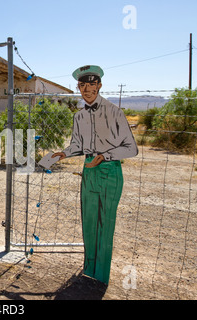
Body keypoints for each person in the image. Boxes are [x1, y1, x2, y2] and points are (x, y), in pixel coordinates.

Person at [52, 65, 138, 285]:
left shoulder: (114, 112)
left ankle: (101, 274)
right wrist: (64, 153)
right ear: (78, 87)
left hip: (109, 170)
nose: (87, 89)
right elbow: (77, 146)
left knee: (105, 223)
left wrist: (105, 156)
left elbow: (131, 148)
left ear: (99, 85)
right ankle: (89, 270)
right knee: (89, 222)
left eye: (91, 84)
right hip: (88, 169)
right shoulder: (79, 117)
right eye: (82, 85)